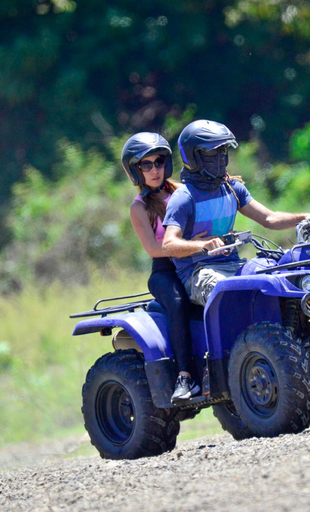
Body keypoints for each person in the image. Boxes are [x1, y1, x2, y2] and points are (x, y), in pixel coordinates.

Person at [162, 119, 310, 306]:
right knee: (230, 295)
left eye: (223, 151)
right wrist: (202, 245)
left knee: (287, 281)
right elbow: (169, 244)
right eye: (212, 152)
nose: (220, 157)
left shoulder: (232, 188)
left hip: (234, 265)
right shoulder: (184, 197)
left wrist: (303, 218)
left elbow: (269, 218)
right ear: (193, 157)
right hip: (199, 272)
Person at [122, 132, 200, 403]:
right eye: (146, 164)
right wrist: (191, 245)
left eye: (159, 162)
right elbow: (154, 249)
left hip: (195, 262)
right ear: (135, 171)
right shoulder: (139, 207)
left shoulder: (181, 191)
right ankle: (185, 377)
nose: (154, 170)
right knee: (178, 302)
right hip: (165, 271)